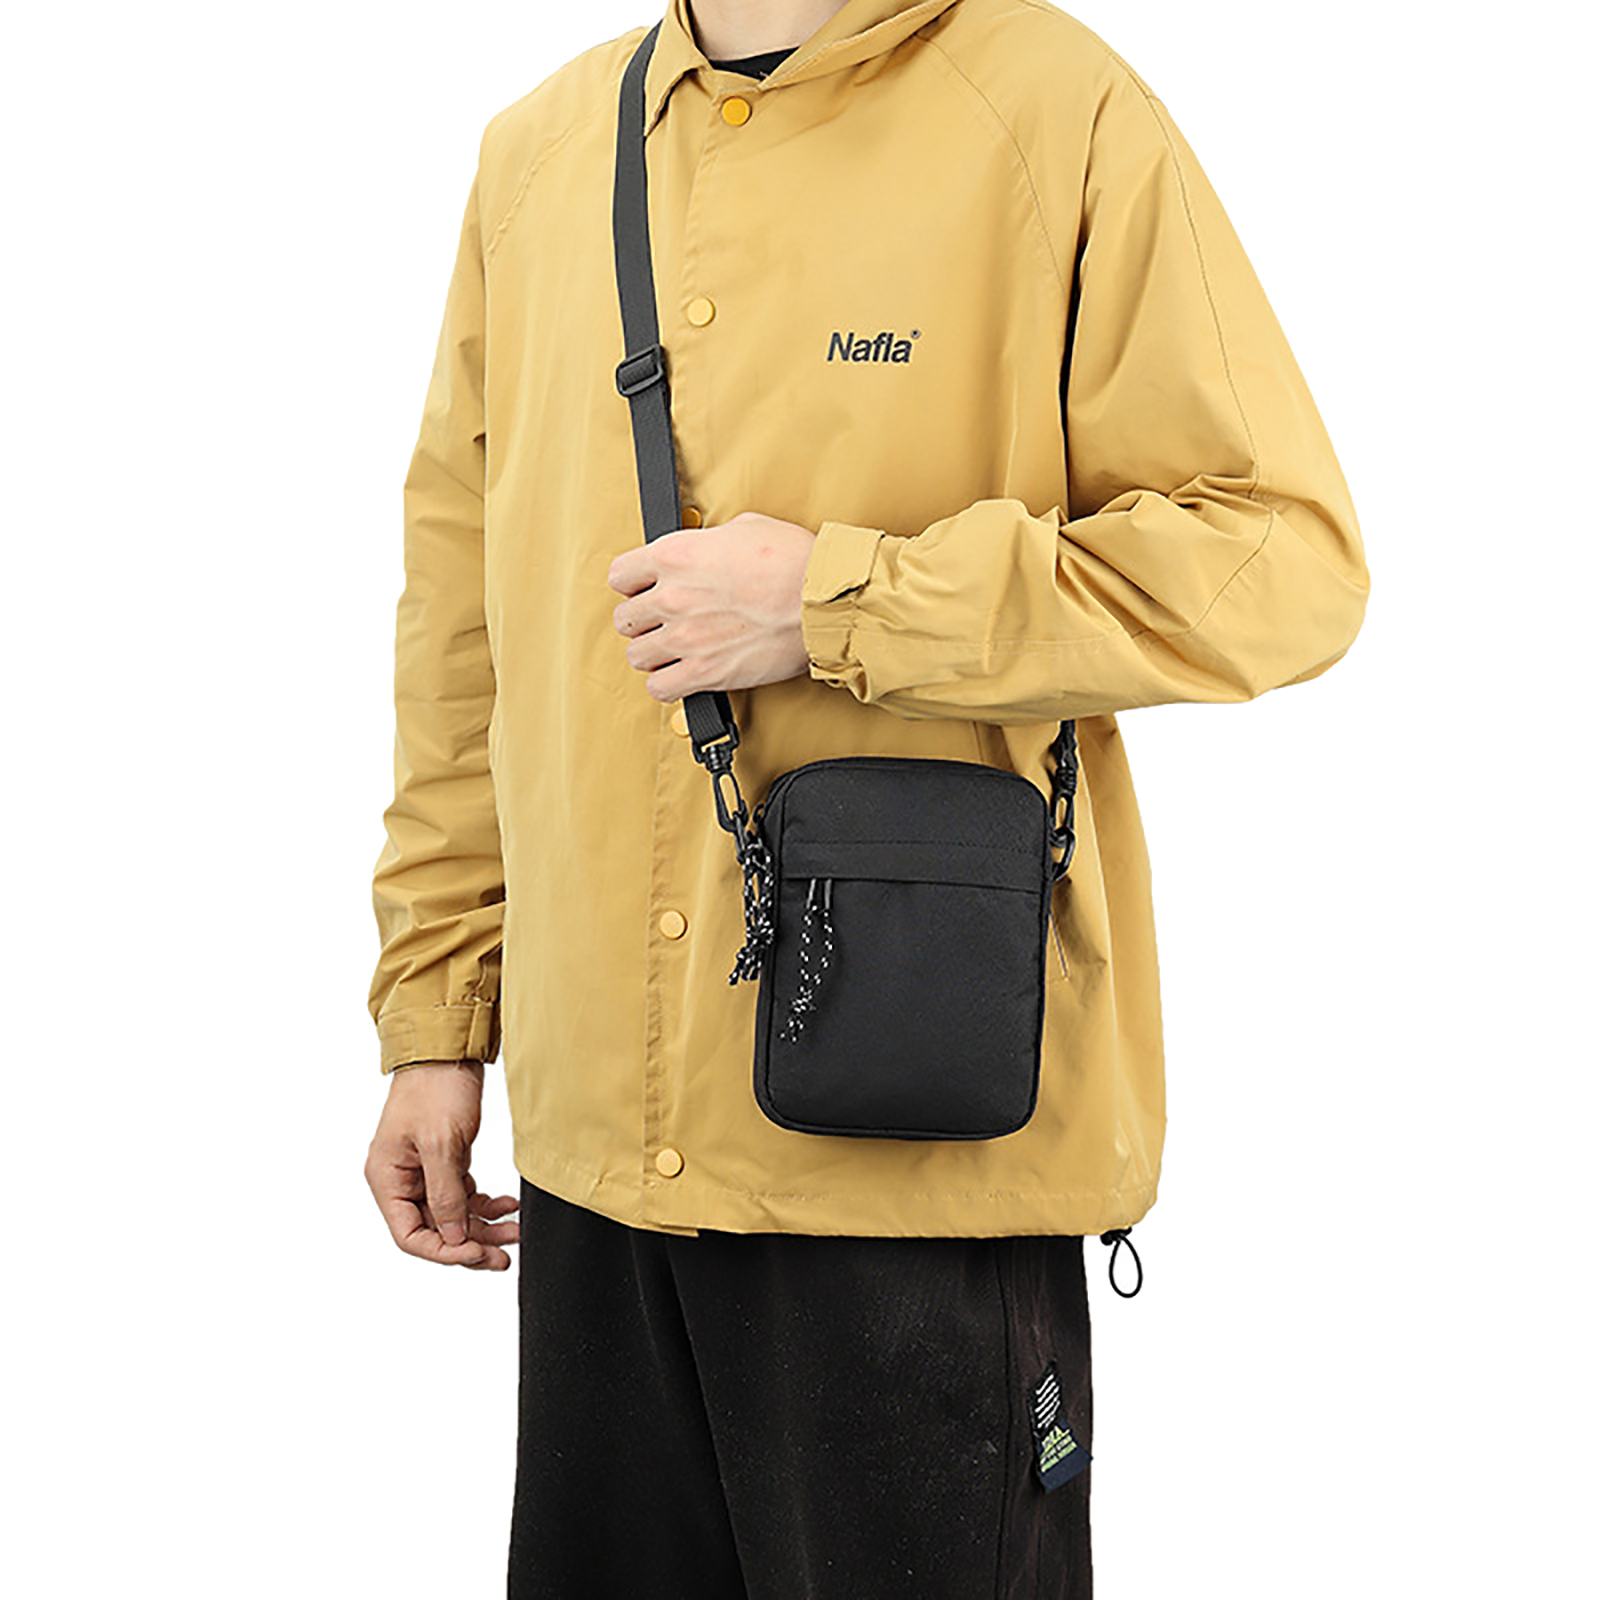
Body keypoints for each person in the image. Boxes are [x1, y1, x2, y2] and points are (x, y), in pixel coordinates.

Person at [363, 0, 1370, 1594]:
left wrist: (843, 602)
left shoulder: (1052, 109)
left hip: (912, 1146)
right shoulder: (542, 151)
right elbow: (463, 629)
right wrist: (437, 1016)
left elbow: (1282, 561)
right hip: (595, 1151)